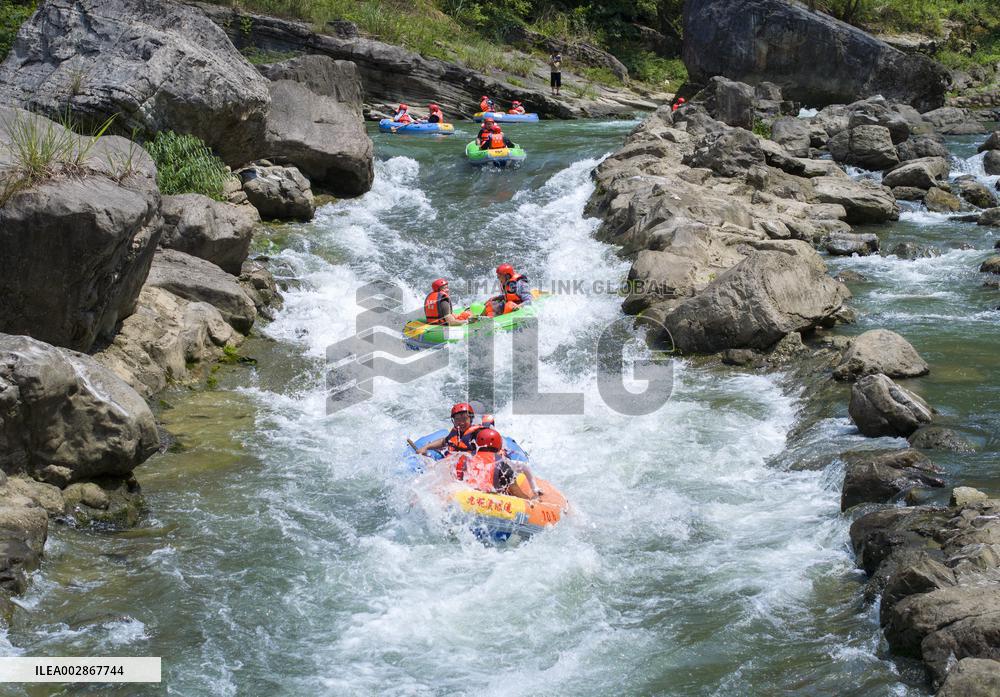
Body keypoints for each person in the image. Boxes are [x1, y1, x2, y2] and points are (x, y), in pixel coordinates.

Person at [458, 428, 543, 500]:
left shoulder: (466, 459)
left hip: (467, 499)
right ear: (499, 445)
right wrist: (531, 501)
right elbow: (516, 492)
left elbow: (458, 481)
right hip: (493, 504)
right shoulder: (502, 464)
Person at [416, 403, 483, 457]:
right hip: (451, 460)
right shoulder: (455, 432)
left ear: (470, 419)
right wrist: (426, 447)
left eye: (464, 419)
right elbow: (443, 441)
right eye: (457, 419)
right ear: (453, 421)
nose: (461, 422)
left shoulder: (477, 434)